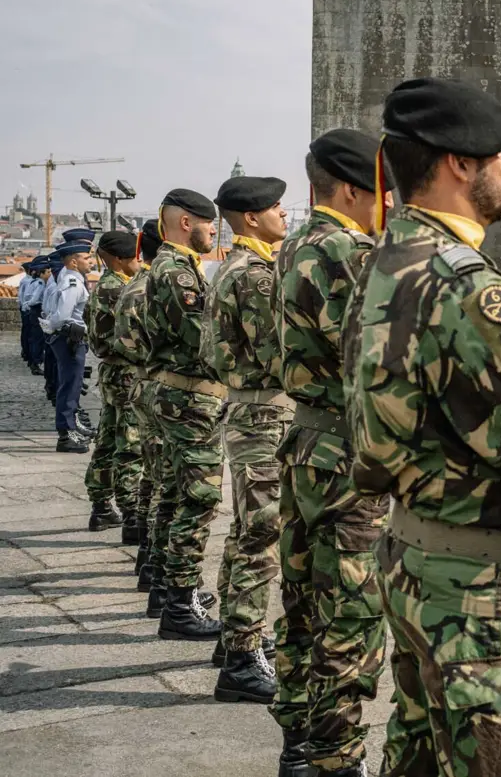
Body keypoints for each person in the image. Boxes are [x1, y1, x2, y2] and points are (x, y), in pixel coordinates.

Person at [344, 78, 501, 777]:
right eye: (500, 154)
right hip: (478, 591)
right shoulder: (467, 285)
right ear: (457, 163)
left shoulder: (385, 260)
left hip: (413, 556)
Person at [271, 129, 391, 777]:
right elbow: (370, 357)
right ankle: (335, 757)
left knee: (301, 599)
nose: (385, 203)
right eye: (378, 191)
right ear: (350, 188)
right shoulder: (351, 251)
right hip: (347, 448)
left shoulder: (290, 247)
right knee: (349, 607)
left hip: (304, 440)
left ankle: (297, 741)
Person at [201, 175, 291, 705]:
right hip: (264, 415)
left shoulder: (230, 266)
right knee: (262, 537)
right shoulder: (256, 276)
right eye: (277, 208)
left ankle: (236, 637)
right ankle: (241, 659)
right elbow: (275, 353)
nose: (284, 213)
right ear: (252, 218)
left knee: (245, 531)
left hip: (247, 412)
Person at [144, 189, 226, 640]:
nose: (213, 232)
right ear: (185, 223)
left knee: (177, 495)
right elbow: (203, 342)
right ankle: (180, 603)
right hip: (190, 398)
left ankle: (170, 588)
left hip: (182, 396)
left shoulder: (177, 267)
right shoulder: (176, 272)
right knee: (198, 499)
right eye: (208, 225)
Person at [114, 220, 167, 594]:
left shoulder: (136, 286)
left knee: (153, 476)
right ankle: (158, 568)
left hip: (145, 385)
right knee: (166, 483)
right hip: (164, 390)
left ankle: (149, 558)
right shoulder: (153, 287)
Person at [83, 231, 143, 539]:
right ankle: (132, 512)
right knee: (130, 444)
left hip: (110, 373)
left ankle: (101, 506)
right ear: (119, 260)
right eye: (135, 258)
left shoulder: (100, 286)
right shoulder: (122, 289)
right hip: (127, 373)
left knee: (106, 440)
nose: (139, 263)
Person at [46, 234, 96, 455]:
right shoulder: (73, 282)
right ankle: (66, 433)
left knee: (70, 385)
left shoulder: (68, 277)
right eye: (86, 258)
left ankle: (70, 427)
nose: (91, 261)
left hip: (68, 337)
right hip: (70, 338)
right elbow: (61, 316)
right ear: (74, 261)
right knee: (70, 386)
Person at [40, 249, 65, 403]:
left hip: (51, 325)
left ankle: (53, 389)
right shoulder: (56, 284)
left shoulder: (53, 283)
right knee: (57, 365)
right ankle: (56, 393)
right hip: (57, 327)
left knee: (53, 362)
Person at [20, 258, 48, 376]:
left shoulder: (33, 282)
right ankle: (35, 363)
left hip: (32, 310)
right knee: (37, 338)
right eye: (47, 272)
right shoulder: (40, 284)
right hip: (37, 310)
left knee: (32, 337)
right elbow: (35, 299)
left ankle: (32, 360)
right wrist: (29, 305)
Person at [18, 261, 34, 366]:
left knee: (26, 331)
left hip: (24, 307)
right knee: (28, 331)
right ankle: (26, 351)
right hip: (27, 308)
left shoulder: (25, 280)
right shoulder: (28, 281)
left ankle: (25, 350)